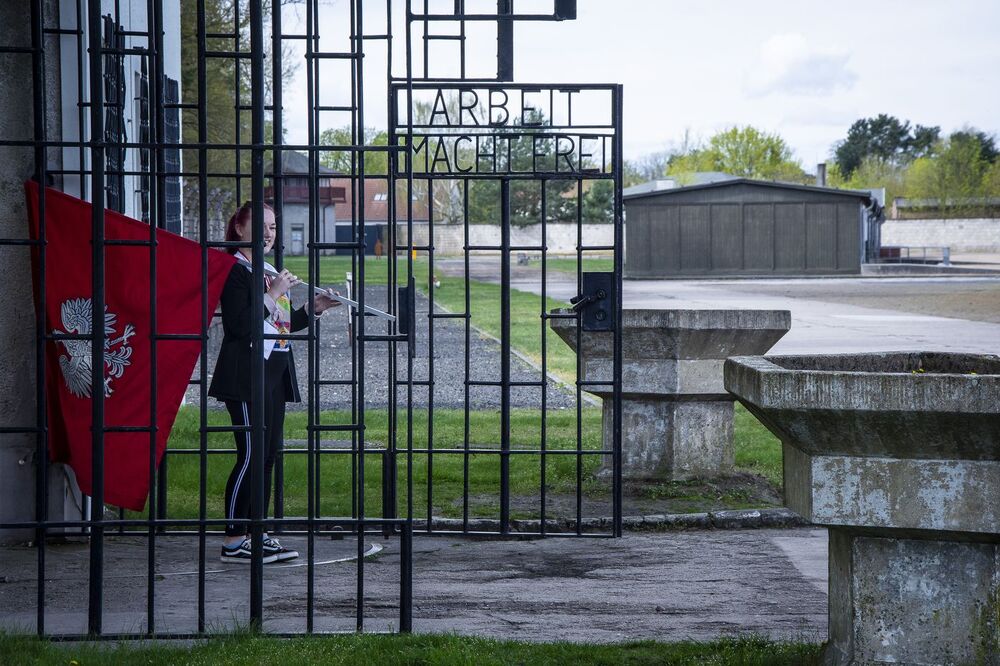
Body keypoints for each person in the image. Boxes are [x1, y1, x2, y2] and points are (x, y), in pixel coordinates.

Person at [208, 201, 340, 564]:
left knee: (267, 457)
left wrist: (313, 309)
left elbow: (279, 325)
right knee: (250, 455)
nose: (269, 233)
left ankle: (255, 532)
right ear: (239, 228)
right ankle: (234, 540)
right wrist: (272, 292)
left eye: (273, 227)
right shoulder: (233, 269)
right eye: (261, 226)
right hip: (245, 375)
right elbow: (239, 325)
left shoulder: (264, 268)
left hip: (273, 374)